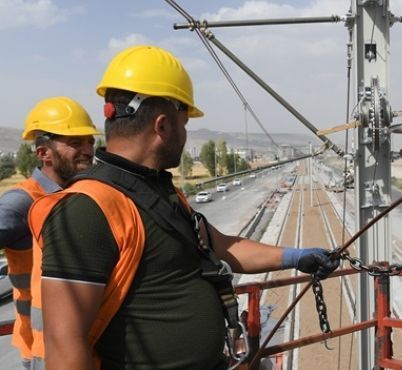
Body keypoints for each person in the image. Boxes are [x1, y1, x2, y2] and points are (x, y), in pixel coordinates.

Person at [27, 45, 339, 370]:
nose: (187, 133)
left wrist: (295, 257)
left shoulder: (161, 190)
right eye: (185, 122)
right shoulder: (87, 209)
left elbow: (221, 246)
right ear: (162, 126)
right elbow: (65, 346)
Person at [0, 96, 100, 369]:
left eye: (90, 141)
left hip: (81, 343)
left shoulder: (78, 195)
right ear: (44, 153)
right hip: (42, 351)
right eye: (75, 143)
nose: (88, 150)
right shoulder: (22, 202)